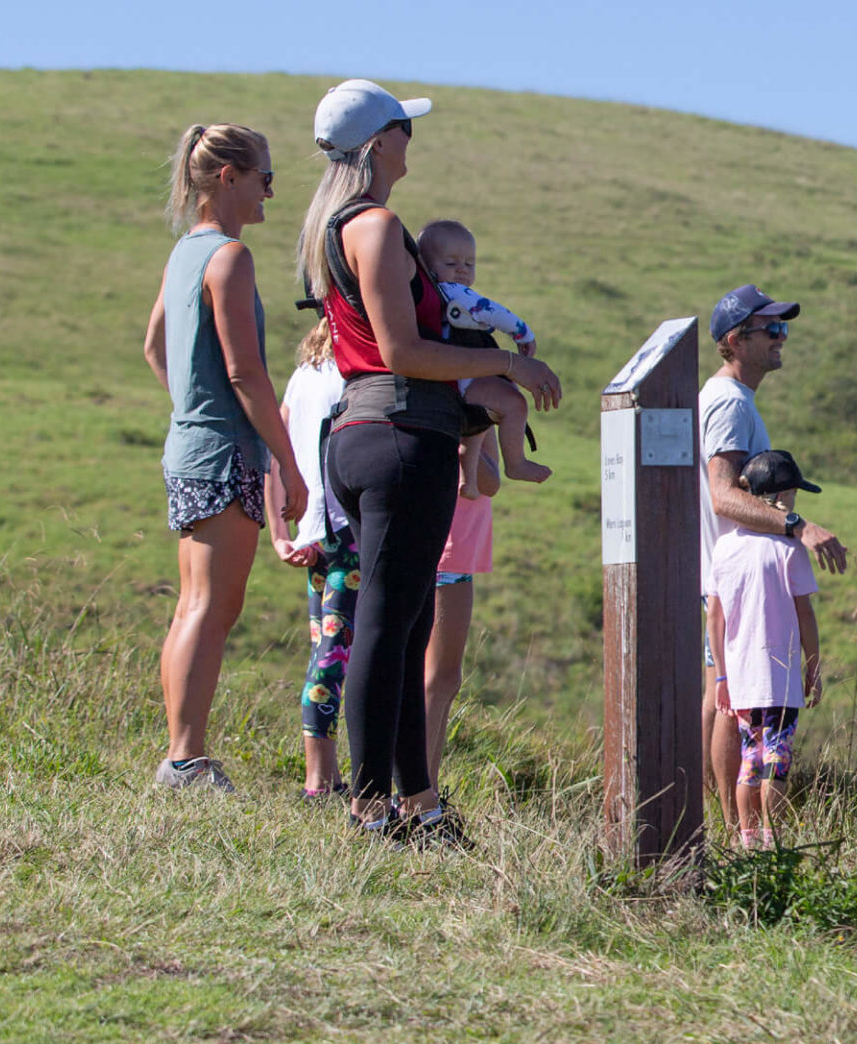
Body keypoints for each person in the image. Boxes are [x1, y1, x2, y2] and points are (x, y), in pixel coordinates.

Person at [298, 79, 561, 843]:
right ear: (380, 144)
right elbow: (403, 352)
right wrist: (506, 370)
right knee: (388, 626)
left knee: (404, 627)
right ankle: (371, 805)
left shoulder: (335, 225)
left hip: (367, 437)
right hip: (400, 440)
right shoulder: (376, 226)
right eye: (403, 130)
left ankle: (419, 803)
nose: (412, 140)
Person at [141, 121, 304, 792]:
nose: (272, 189)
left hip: (188, 448)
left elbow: (156, 346)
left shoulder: (187, 251)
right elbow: (246, 374)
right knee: (212, 606)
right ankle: (186, 759)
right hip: (225, 454)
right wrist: (287, 464)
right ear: (230, 178)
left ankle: (183, 754)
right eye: (265, 175)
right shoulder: (230, 258)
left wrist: (191, 405)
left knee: (193, 604)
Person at [697, 284, 849, 831]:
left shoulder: (732, 399)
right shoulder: (731, 403)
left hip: (728, 575)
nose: (783, 339)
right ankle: (734, 832)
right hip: (735, 579)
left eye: (784, 328)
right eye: (772, 330)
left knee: (729, 696)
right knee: (729, 699)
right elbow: (723, 494)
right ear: (735, 340)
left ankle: (733, 830)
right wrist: (797, 525)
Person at [712, 449, 825, 849]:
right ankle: (773, 841)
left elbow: (715, 619)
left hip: (740, 675)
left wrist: (723, 675)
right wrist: (813, 667)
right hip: (779, 674)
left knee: (750, 758)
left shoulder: (724, 549)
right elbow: (805, 616)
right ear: (781, 499)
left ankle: (747, 838)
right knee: (776, 761)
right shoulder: (788, 550)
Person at [264, 321, 355, 798]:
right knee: (335, 659)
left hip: (312, 534)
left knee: (325, 651)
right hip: (346, 530)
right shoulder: (351, 373)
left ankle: (329, 775)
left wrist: (280, 534)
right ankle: (320, 781)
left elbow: (275, 451)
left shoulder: (304, 374)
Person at [415, 219, 548, 496]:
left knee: (479, 419)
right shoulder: (454, 292)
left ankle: (468, 478)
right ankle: (516, 462)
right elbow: (492, 311)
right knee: (513, 403)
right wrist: (523, 333)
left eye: (469, 264)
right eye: (451, 264)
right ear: (426, 267)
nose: (461, 270)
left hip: (449, 376)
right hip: (464, 373)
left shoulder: (426, 297)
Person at [423, 428, 501, 783]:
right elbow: (489, 481)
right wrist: (476, 427)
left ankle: (418, 790)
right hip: (449, 552)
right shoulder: (468, 400)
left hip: (448, 549)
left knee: (436, 678)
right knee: (439, 679)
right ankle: (417, 796)